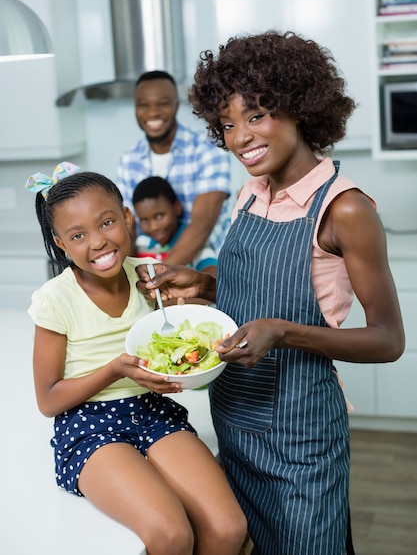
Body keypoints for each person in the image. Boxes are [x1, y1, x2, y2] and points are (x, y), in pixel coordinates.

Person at [136, 31, 405, 555]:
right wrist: (205, 285)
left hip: (300, 432)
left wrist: (281, 333)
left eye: (256, 115)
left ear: (299, 107)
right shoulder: (251, 192)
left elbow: (388, 340)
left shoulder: (344, 209)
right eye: (228, 124)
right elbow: (259, 289)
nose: (240, 137)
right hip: (233, 414)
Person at [25, 162, 247, 555]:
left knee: (229, 527)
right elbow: (48, 400)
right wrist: (114, 369)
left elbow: (189, 322)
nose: (97, 242)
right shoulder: (55, 300)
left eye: (106, 223)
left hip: (151, 411)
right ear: (61, 244)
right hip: (89, 425)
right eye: (78, 235)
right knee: (171, 534)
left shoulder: (150, 279)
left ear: (127, 218)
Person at [116, 70, 231, 265]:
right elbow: (129, 228)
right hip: (151, 265)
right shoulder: (128, 161)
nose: (153, 113)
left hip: (212, 265)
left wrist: (158, 280)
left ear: (176, 107)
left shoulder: (207, 150)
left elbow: (202, 225)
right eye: (143, 105)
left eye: (163, 104)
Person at [133, 176, 217, 275]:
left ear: (177, 208)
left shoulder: (193, 241)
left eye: (159, 216)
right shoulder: (140, 244)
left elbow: (211, 271)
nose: (154, 227)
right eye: (144, 220)